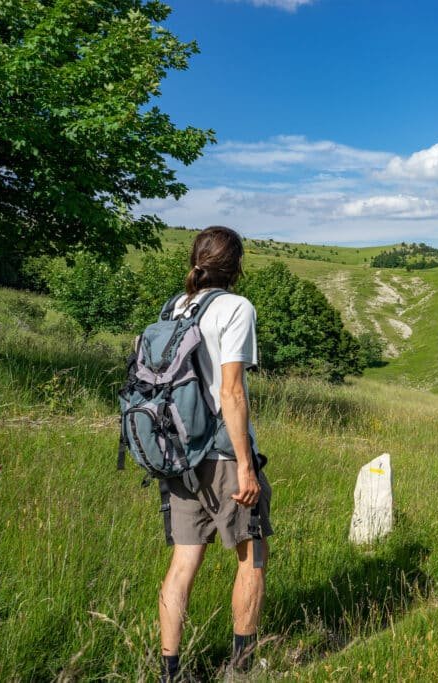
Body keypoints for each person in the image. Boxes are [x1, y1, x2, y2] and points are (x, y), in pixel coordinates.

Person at [157, 226, 273, 681]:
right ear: (237, 265)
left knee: (184, 562)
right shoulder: (236, 308)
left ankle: (170, 672)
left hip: (178, 453)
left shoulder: (174, 307)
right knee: (253, 556)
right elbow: (231, 391)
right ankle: (241, 669)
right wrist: (247, 466)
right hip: (224, 454)